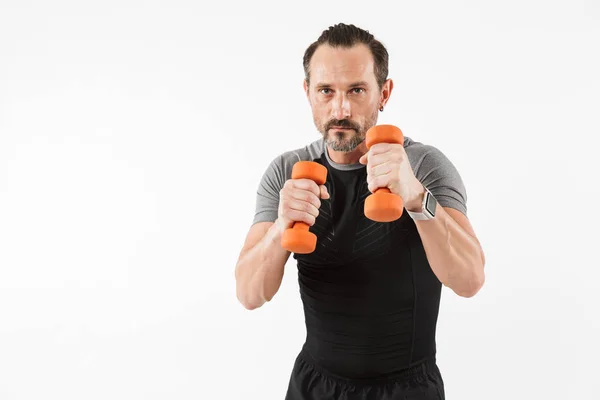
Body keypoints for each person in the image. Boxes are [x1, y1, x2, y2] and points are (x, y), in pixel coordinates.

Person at [234, 22, 486, 400]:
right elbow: (250, 294)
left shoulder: (424, 165)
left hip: (406, 390)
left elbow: (470, 280)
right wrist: (281, 225)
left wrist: (417, 197)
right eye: (326, 91)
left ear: (384, 93)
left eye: (356, 90)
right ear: (307, 93)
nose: (341, 108)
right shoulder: (288, 171)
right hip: (313, 386)